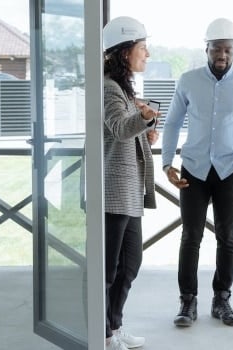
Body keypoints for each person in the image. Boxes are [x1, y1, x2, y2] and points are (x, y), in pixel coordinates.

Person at [161, 17, 233, 328]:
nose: (222, 55)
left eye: (228, 49)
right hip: (194, 170)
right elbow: (173, 123)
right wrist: (166, 163)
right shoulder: (187, 81)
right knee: (191, 236)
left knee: (228, 237)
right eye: (217, 48)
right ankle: (187, 302)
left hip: (231, 170)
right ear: (206, 49)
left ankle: (222, 299)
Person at [101, 16, 159, 350]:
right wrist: (145, 117)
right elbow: (120, 128)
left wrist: (144, 133)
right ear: (125, 52)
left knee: (130, 263)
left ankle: (114, 324)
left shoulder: (122, 88)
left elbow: (126, 132)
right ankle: (105, 334)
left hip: (128, 192)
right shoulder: (109, 87)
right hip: (114, 191)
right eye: (142, 48)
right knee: (110, 269)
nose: (147, 55)